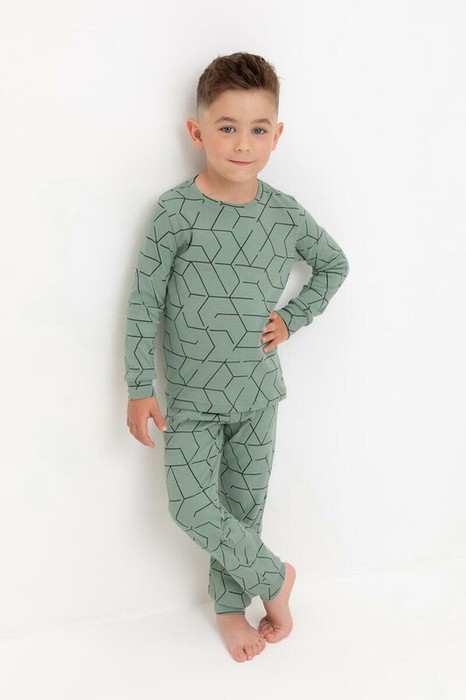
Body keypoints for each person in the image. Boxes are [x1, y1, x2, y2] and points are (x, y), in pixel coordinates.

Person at [124, 52, 350, 663]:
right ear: (197, 132)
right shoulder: (175, 212)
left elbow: (333, 265)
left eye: (257, 129)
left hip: (258, 394)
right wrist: (139, 386)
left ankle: (231, 610)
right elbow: (144, 303)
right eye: (227, 127)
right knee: (191, 506)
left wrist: (293, 318)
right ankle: (276, 578)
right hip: (192, 400)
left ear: (277, 135)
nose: (242, 144)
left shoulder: (284, 214)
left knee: (244, 510)